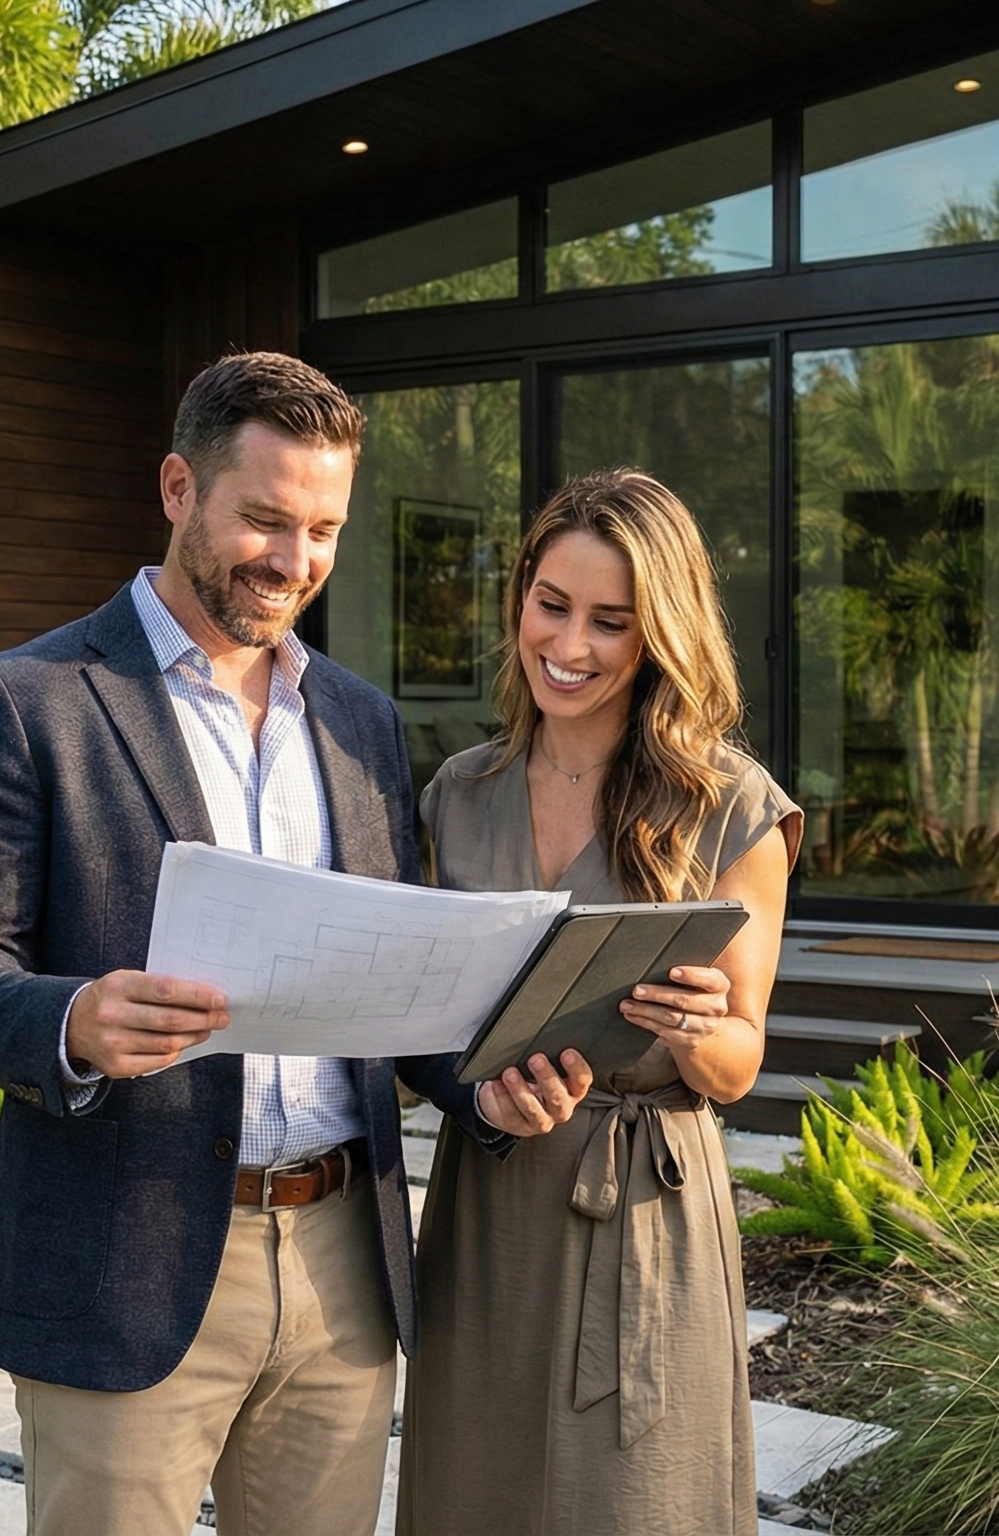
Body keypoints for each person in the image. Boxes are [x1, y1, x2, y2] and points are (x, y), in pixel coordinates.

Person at [0, 351, 595, 1536]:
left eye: (321, 529)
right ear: (179, 489)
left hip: (341, 1260)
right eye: (264, 520)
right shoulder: (28, 701)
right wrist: (71, 1022)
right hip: (122, 1261)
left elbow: (398, 990)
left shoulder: (362, 720)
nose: (293, 561)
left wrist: (493, 1089)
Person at [399, 469, 803, 1536]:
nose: (568, 647)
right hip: (489, 1202)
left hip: (645, 1211)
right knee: (472, 1492)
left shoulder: (728, 809)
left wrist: (700, 1028)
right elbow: (421, 1021)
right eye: (551, 604)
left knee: (635, 1503)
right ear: (519, 596)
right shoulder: (456, 794)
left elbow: (738, 1067)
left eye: (609, 622)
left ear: (656, 633)